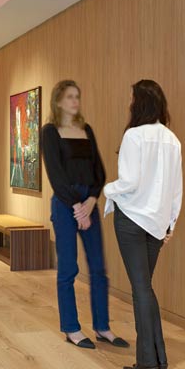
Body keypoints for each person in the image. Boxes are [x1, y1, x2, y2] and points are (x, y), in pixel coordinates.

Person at [104, 80, 182, 369]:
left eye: (131, 99)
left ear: (139, 103)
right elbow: (176, 189)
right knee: (144, 288)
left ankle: (148, 363)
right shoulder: (173, 140)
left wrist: (107, 188)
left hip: (132, 219)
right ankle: (157, 361)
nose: (128, 104)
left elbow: (130, 182)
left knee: (141, 289)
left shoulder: (134, 136)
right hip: (158, 224)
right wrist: (171, 223)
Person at [42, 80, 128, 350]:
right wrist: (77, 208)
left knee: (99, 268)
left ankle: (102, 327)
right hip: (66, 204)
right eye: (69, 97)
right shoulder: (50, 131)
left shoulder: (86, 129)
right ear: (58, 101)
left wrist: (91, 200)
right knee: (68, 268)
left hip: (88, 203)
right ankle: (71, 328)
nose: (75, 101)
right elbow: (56, 176)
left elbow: (100, 172)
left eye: (77, 96)